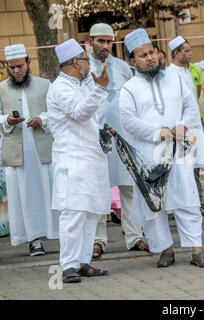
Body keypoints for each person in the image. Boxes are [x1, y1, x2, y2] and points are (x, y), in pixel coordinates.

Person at [119, 28, 204, 268]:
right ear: (132, 61)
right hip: (149, 153)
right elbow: (128, 121)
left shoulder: (176, 78)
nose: (150, 58)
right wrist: (156, 132)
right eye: (143, 55)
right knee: (154, 204)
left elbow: (191, 107)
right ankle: (166, 250)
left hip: (178, 150)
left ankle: (196, 250)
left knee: (187, 198)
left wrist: (182, 125)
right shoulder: (129, 89)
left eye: (152, 52)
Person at [47, 39, 111, 283]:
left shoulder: (81, 83)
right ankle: (68, 266)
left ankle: (83, 262)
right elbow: (80, 112)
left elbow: (89, 118)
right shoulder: (61, 87)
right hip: (72, 160)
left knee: (91, 212)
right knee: (73, 213)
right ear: (76, 62)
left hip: (91, 158)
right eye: (85, 59)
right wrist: (100, 89)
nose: (88, 64)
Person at [87, 23, 148, 258]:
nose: (105, 46)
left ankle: (135, 237)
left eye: (109, 41)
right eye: (100, 41)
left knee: (129, 188)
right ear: (90, 42)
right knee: (98, 190)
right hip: (95, 139)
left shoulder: (122, 67)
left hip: (123, 136)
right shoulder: (83, 68)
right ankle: (98, 241)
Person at [0, 44, 58, 256]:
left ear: (28, 62)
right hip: (17, 153)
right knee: (23, 196)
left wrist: (41, 119)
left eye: (19, 66)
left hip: (42, 150)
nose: (16, 71)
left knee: (49, 192)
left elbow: (56, 113)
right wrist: (7, 119)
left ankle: (58, 235)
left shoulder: (45, 85)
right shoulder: (1, 88)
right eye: (12, 67)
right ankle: (34, 241)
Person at [167, 36, 204, 216]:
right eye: (186, 51)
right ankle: (183, 206)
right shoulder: (169, 74)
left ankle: (196, 204)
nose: (190, 53)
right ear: (176, 53)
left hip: (195, 126)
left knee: (195, 168)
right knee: (182, 170)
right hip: (181, 128)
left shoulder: (189, 70)